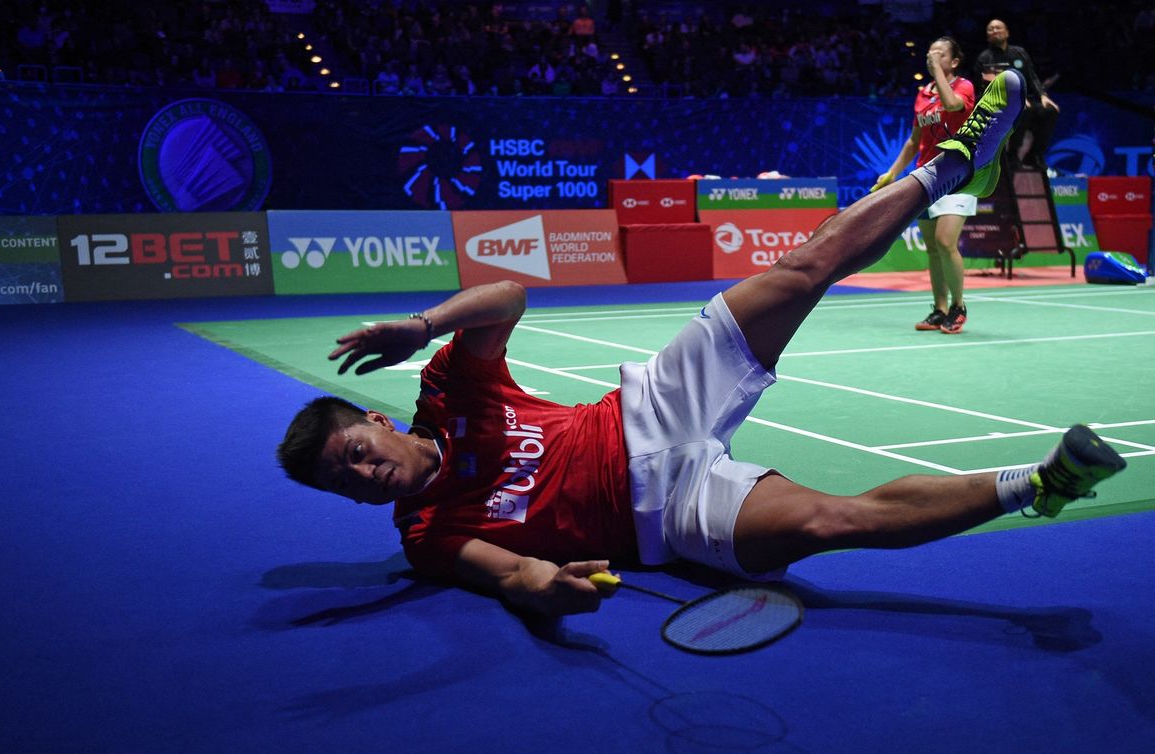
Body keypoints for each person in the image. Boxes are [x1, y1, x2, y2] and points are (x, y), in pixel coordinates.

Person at [277, 71, 1127, 618]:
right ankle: (1043, 484)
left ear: (372, 417)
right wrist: (551, 588)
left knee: (800, 269)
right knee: (835, 521)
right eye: (341, 482)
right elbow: (505, 574)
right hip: (665, 517)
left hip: (647, 407)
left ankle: (949, 164)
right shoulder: (426, 531)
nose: (360, 474)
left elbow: (509, 294)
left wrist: (422, 326)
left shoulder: (442, 390)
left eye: (352, 450)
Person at [873, 36, 977, 334]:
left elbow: (953, 105)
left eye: (940, 53)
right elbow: (914, 140)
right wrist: (892, 173)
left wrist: (939, 74)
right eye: (930, 52)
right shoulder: (922, 95)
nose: (932, 56)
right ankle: (939, 309)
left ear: (954, 62)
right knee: (932, 248)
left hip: (957, 173)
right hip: (926, 176)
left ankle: (958, 306)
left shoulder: (963, 86)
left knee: (946, 241)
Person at [976, 19, 1060, 169]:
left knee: (1050, 111)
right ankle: (1012, 155)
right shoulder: (985, 58)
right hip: (996, 102)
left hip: (1024, 99)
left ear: (1007, 32)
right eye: (991, 29)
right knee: (1022, 110)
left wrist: (1043, 95)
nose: (995, 31)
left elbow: (1031, 76)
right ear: (987, 36)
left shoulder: (1019, 52)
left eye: (998, 28)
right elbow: (990, 86)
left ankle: (1034, 155)